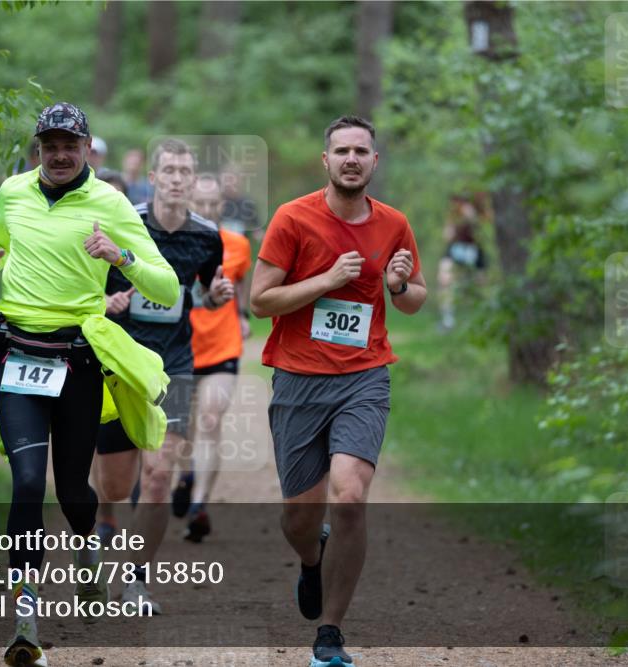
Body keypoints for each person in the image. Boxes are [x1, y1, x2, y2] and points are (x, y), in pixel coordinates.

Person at [0, 102, 179, 667]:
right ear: (38, 148)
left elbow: (167, 286)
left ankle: (86, 555)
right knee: (28, 480)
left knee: (75, 490)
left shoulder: (109, 202)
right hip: (18, 354)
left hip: (77, 362)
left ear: (85, 148)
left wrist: (120, 254)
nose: (58, 154)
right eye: (49, 144)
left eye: (69, 144)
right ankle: (24, 617)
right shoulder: (14, 191)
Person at [250, 115, 426, 667]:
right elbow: (260, 301)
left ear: (375, 162)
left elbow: (414, 297)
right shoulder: (293, 218)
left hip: (364, 377)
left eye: (362, 151)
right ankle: (310, 559)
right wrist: (325, 281)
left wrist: (399, 284)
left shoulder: (394, 224)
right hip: (299, 377)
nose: (352, 159)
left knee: (350, 496)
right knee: (300, 518)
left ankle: (330, 634)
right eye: (342, 151)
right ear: (325, 161)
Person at [93, 139, 234, 614]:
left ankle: (134, 583)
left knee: (158, 477)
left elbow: (207, 294)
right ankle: (101, 522)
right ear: (152, 178)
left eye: (185, 171)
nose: (177, 178)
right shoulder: (122, 220)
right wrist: (104, 304)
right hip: (119, 361)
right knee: (115, 483)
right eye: (169, 170)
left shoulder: (206, 235)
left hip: (173, 365)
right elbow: (83, 282)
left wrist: (217, 294)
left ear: (194, 182)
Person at [171, 173, 252, 542]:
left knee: (209, 420)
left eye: (212, 204)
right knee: (182, 430)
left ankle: (199, 506)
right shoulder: (171, 242)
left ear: (223, 205)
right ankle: (186, 475)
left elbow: (242, 282)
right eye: (199, 203)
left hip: (223, 345)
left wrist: (243, 314)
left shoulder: (237, 244)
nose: (205, 210)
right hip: (180, 346)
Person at [437, 194, 487, 330]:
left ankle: (481, 320)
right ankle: (448, 321)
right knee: (445, 280)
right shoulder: (453, 215)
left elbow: (481, 232)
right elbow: (447, 236)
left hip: (473, 251)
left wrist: (471, 217)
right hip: (456, 250)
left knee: (479, 285)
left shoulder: (475, 210)